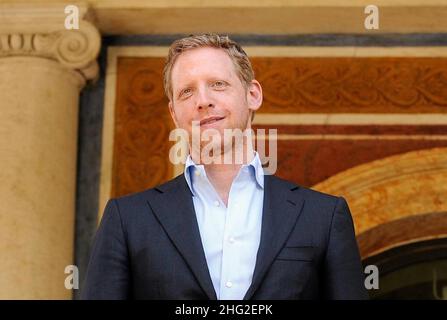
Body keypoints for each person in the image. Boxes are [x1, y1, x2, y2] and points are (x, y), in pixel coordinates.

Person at [82, 34, 368, 300]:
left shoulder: (324, 216)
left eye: (218, 84)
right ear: (173, 113)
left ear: (252, 94)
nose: (203, 101)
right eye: (186, 92)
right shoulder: (127, 219)